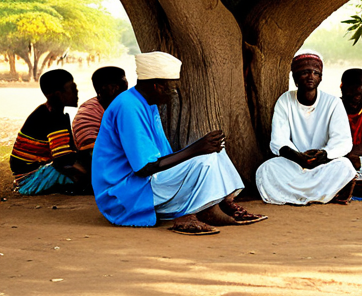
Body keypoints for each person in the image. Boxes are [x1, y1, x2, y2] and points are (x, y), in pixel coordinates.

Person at [91, 51, 265, 235]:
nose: (174, 92)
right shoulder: (128, 106)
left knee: (216, 152)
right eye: (170, 87)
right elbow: (143, 168)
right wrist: (196, 149)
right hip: (124, 193)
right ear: (157, 86)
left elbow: (160, 157)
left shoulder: (146, 102)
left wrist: (201, 147)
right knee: (204, 159)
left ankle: (219, 202)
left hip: (144, 183)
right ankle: (194, 211)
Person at [256, 52, 357, 205]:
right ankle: (323, 193)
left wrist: (325, 154)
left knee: (345, 166)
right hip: (294, 162)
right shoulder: (285, 100)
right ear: (295, 78)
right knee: (266, 169)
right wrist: (299, 157)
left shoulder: (333, 103)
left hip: (324, 163)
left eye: (315, 73)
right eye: (304, 72)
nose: (311, 76)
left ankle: (297, 194)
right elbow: (279, 140)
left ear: (320, 78)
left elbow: (342, 140)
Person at [10, 69, 89, 195]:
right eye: (72, 89)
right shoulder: (52, 117)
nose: (77, 92)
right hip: (32, 178)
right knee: (91, 181)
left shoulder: (49, 113)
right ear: (58, 94)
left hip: (32, 173)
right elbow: (62, 160)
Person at [72, 66, 128, 170]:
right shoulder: (88, 112)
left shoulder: (118, 107)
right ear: (108, 88)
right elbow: (92, 154)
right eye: (122, 84)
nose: (126, 88)